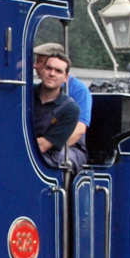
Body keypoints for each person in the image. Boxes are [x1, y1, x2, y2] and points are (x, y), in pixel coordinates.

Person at [32, 43, 91, 172]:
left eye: (39, 62)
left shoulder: (77, 92)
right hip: (37, 142)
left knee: (57, 159)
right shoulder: (30, 92)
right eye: (48, 68)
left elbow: (80, 129)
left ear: (65, 77)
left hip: (67, 146)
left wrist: (54, 144)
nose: (35, 65)